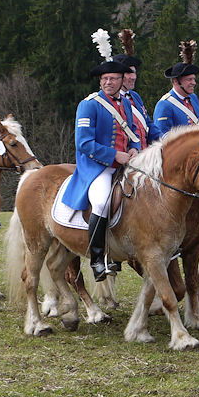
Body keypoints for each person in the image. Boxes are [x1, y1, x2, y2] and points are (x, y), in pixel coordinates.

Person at [60, 29, 141, 281]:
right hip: (97, 167)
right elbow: (84, 143)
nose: (109, 82)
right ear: (100, 80)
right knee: (103, 201)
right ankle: (97, 258)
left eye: (114, 78)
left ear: (121, 80)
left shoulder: (126, 103)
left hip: (125, 163)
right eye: (105, 79)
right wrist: (115, 155)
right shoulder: (89, 104)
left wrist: (134, 147)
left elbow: (134, 132)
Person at [113, 28, 159, 148]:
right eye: (129, 73)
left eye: (134, 73)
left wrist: (165, 140)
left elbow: (148, 124)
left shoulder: (135, 96)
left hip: (145, 155)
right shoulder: (110, 100)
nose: (133, 77)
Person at [153, 40, 199, 139]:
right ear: (176, 81)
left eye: (194, 79)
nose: (194, 83)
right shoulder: (164, 104)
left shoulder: (193, 98)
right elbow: (162, 137)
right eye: (189, 80)